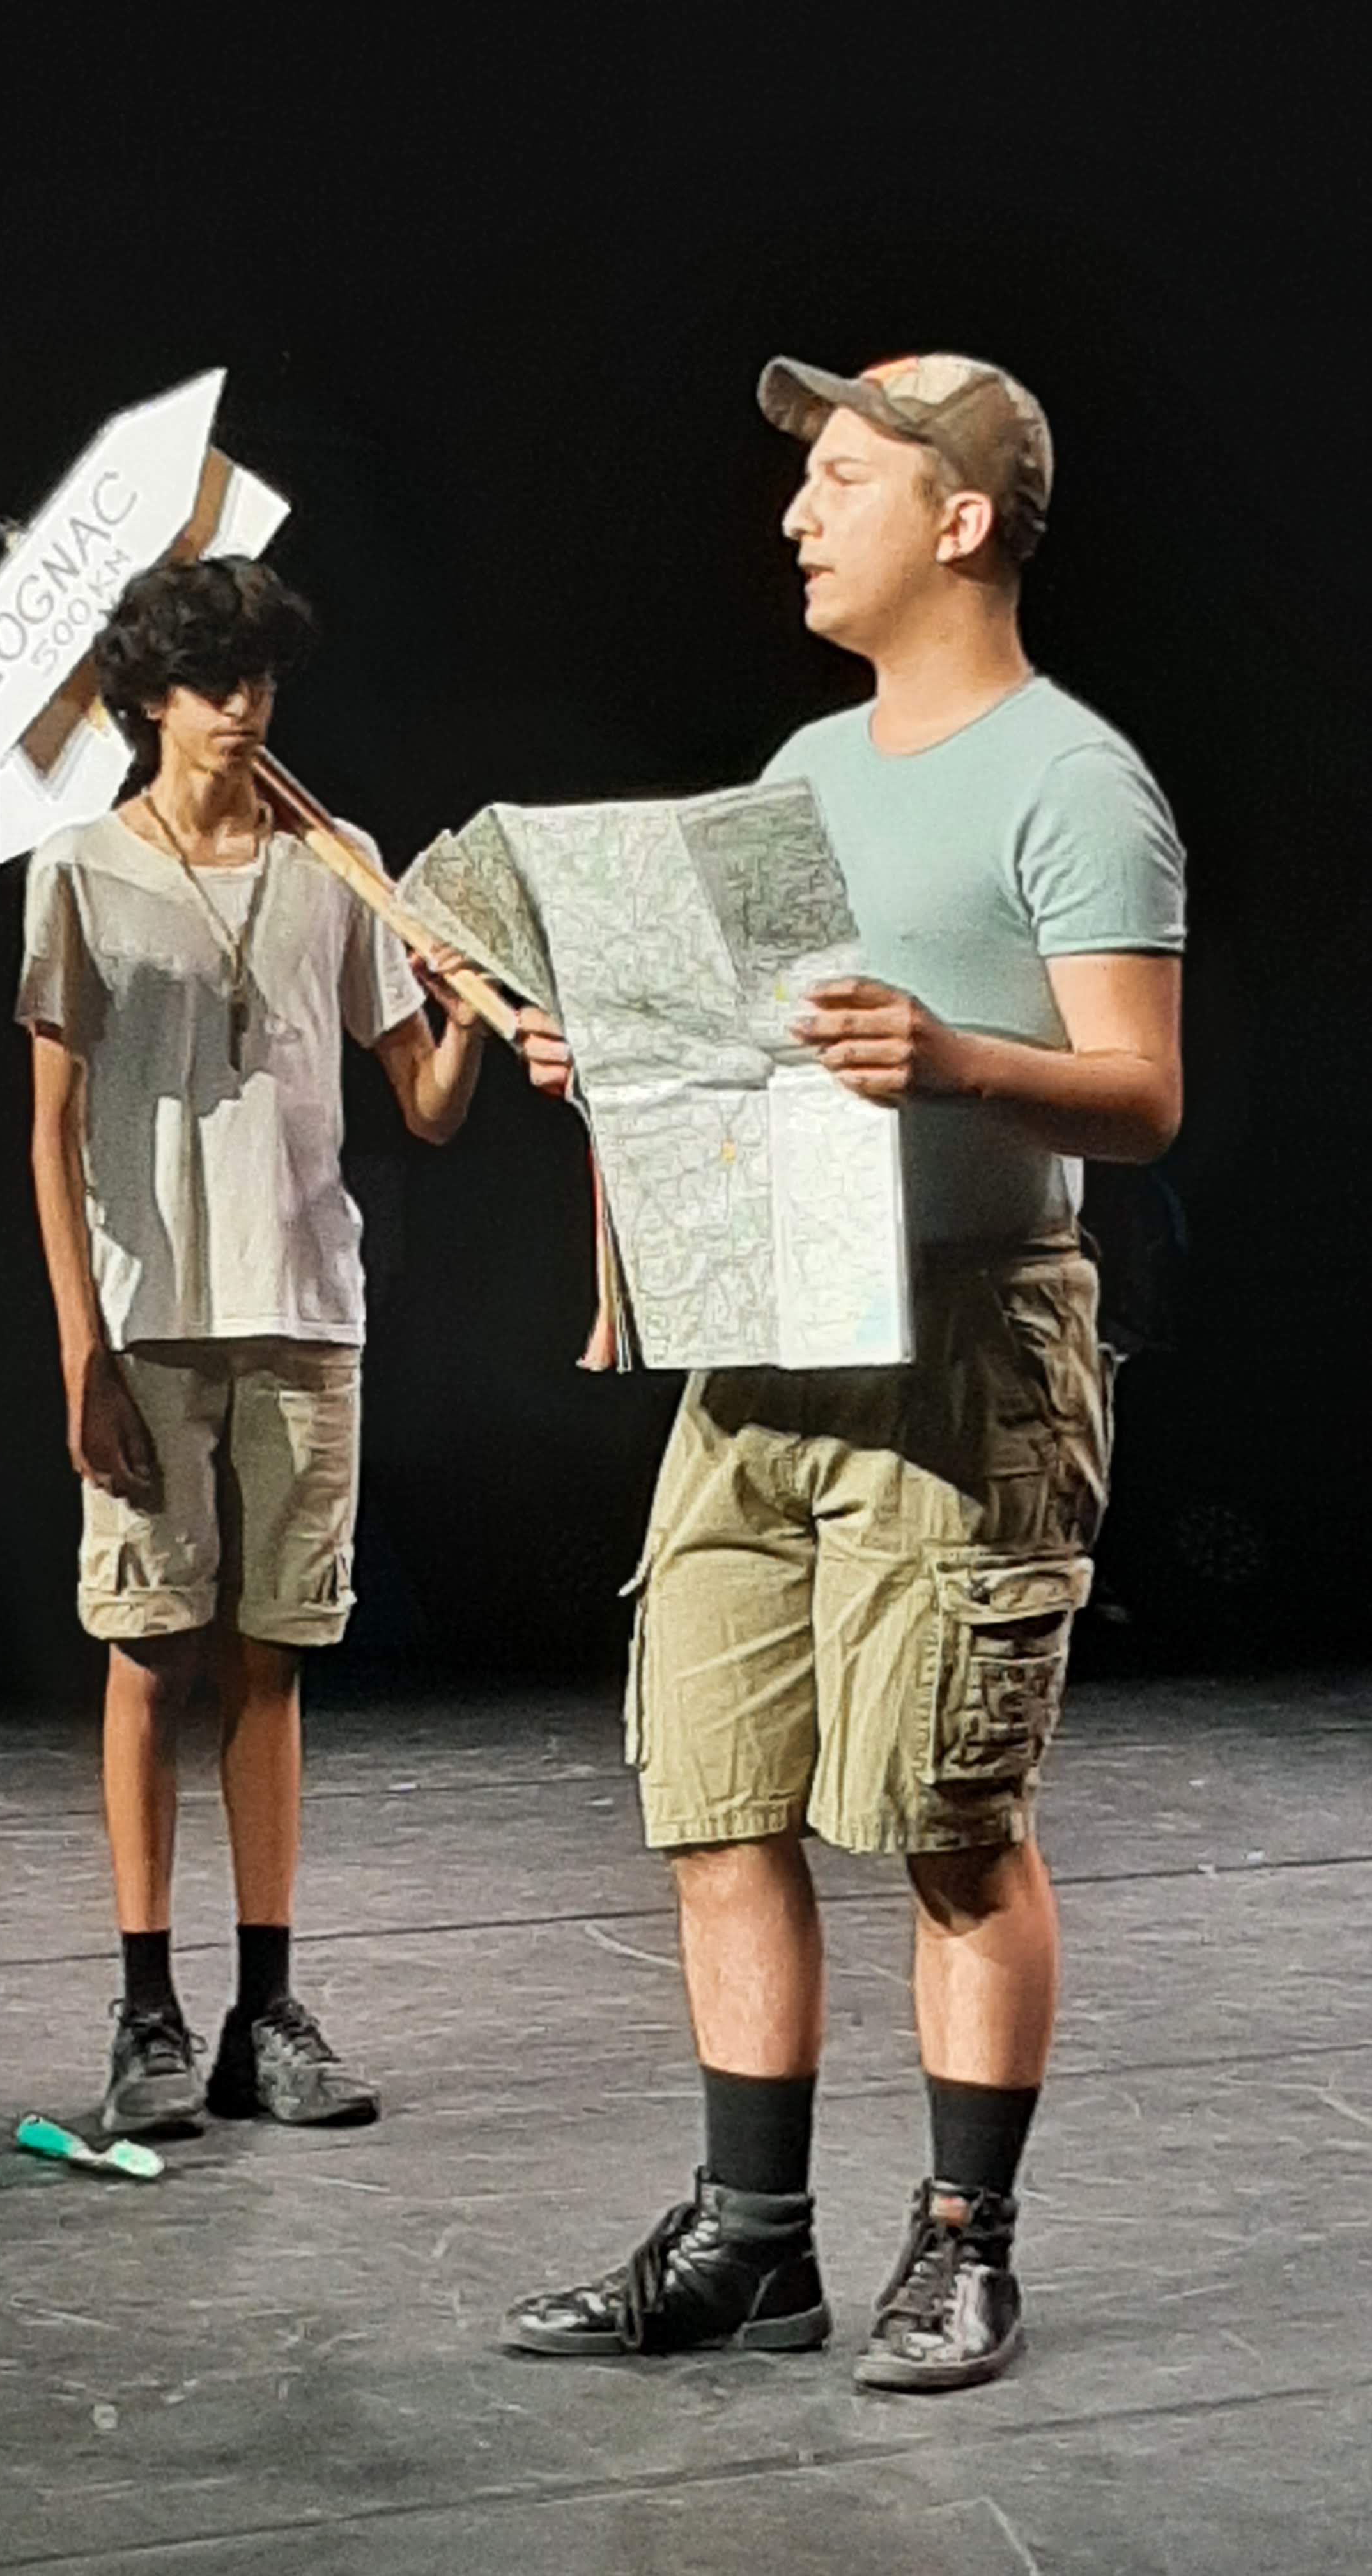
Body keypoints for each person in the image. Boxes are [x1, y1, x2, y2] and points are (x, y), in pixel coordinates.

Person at [505, 355, 1185, 2390]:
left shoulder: (1075, 778)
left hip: (966, 1340)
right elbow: (754, 1059)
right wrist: (615, 1060)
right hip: (767, 1334)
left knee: (950, 1815)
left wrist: (958, 1057)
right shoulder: (804, 763)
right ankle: (751, 2243)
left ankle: (965, 2242)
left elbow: (1142, 1092)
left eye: (845, 481)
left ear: (958, 521)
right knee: (716, 1796)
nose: (800, 516)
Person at [20, 556, 485, 2136]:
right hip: (151, 1316)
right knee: (148, 1650)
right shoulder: (82, 869)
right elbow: (49, 1127)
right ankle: (144, 2008)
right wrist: (80, 1346)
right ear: (149, 699)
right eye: (214, 681)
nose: (242, 707)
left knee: (273, 1659)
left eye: (261, 680)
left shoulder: (337, 863)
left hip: (304, 1306)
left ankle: (264, 2008)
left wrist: (467, 1014)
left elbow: (424, 1103)